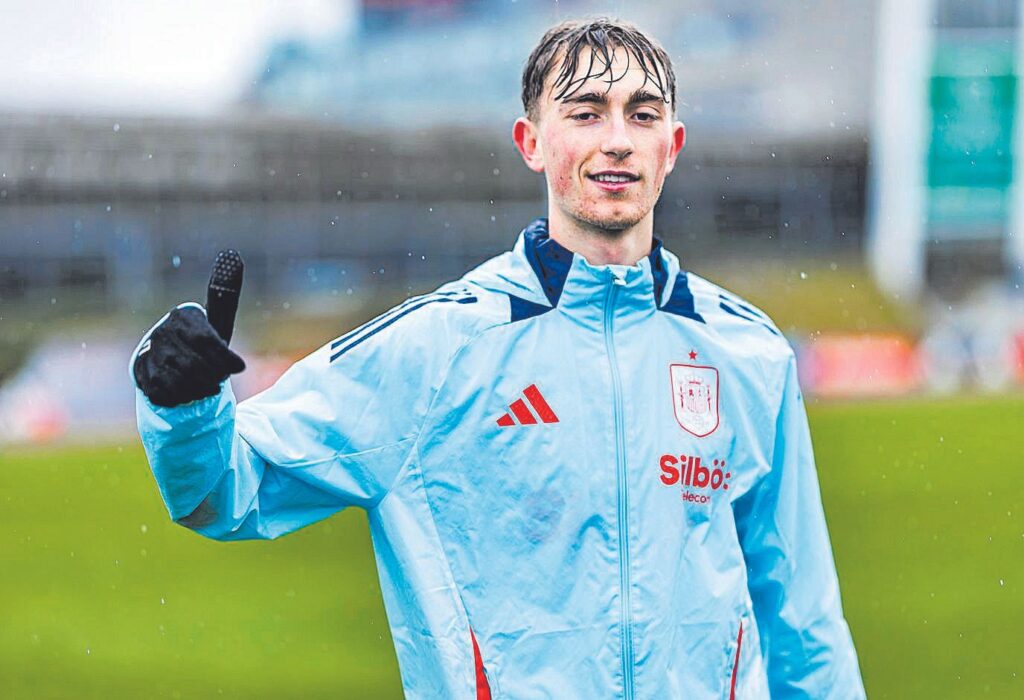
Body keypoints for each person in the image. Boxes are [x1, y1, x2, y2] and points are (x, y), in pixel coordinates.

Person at [131, 17, 866, 699]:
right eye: (584, 113)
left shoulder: (749, 353)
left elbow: (802, 620)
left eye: (641, 115)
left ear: (671, 147)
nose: (617, 139)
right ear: (532, 142)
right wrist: (184, 407)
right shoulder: (434, 349)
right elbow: (226, 490)